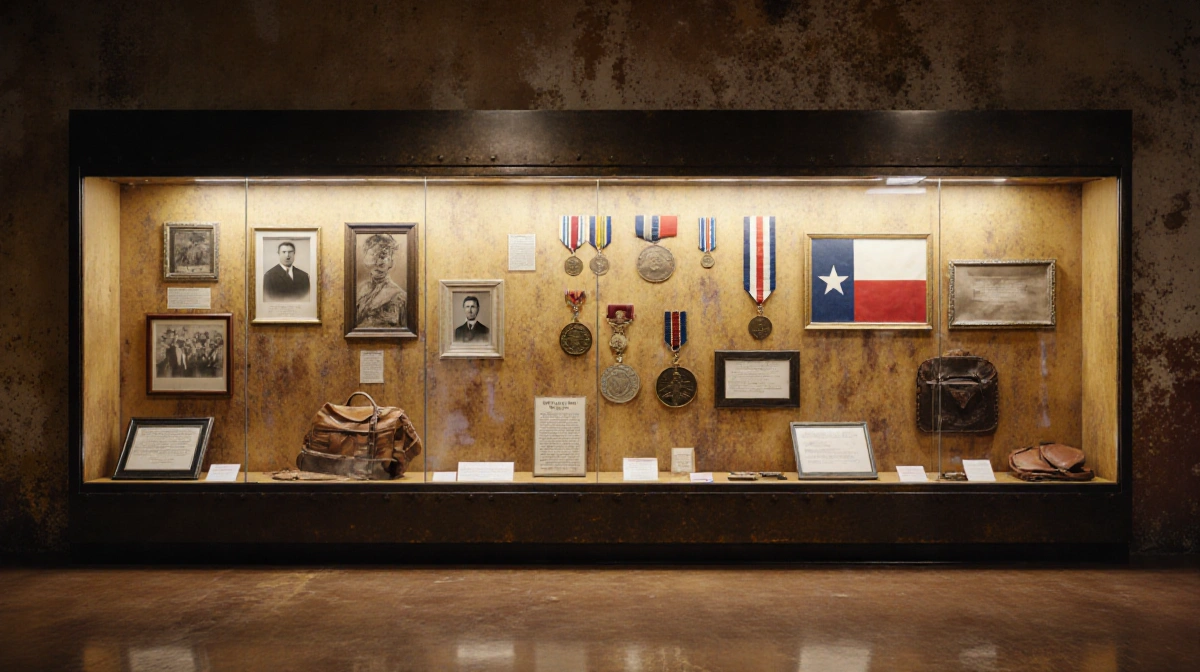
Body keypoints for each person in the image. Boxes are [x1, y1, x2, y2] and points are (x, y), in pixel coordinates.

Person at [355, 233, 407, 328]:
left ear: (391, 261)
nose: (377, 262)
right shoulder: (360, 290)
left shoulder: (399, 296)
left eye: (383, 256)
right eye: (373, 255)